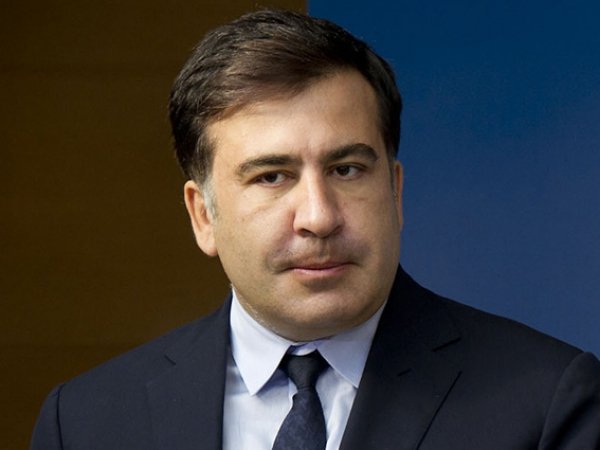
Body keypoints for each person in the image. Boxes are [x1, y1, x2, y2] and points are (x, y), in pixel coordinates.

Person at [31, 9, 600, 450]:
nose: (319, 216)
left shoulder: (548, 403)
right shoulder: (84, 422)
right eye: (272, 176)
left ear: (395, 191)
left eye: (346, 169)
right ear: (203, 215)